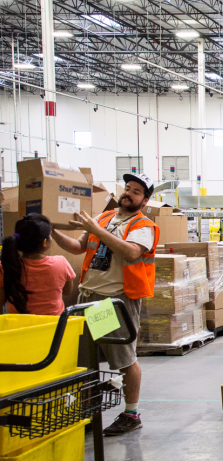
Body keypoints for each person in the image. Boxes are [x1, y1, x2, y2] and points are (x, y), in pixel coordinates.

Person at [52, 173, 158, 436]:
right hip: (87, 298)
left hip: (113, 302)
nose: (128, 193)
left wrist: (96, 230)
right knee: (86, 361)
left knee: (123, 359)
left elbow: (131, 252)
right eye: (127, 188)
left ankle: (131, 414)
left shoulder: (143, 225)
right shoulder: (103, 218)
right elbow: (78, 246)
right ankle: (90, 412)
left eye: (136, 191)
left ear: (144, 200)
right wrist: (50, 229)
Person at [0, 213, 77, 315]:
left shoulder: (7, 266)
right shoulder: (61, 263)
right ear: (44, 242)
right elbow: (67, 291)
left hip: (19, 328)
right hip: (53, 328)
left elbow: (1, 301)